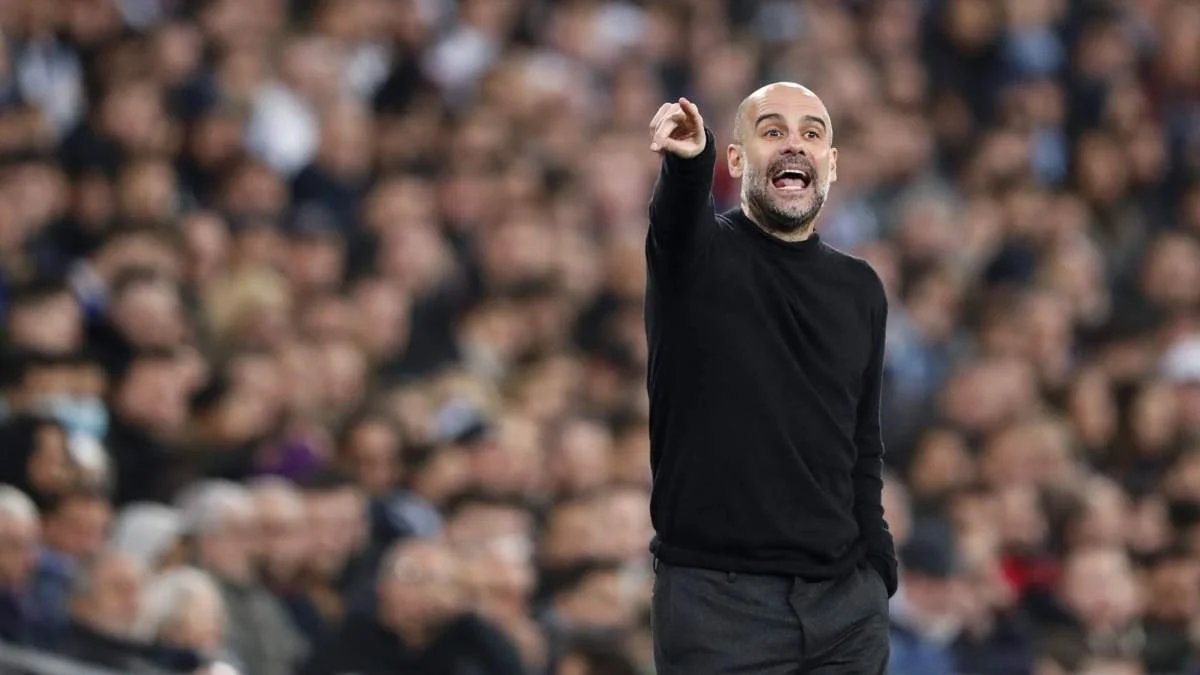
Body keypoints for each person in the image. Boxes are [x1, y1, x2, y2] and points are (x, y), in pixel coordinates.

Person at [644, 83, 896, 673]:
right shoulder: (697, 259)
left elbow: (862, 442)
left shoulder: (861, 288)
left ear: (831, 165)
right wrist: (690, 161)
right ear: (736, 159)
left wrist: (878, 569)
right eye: (773, 131)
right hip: (718, 608)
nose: (794, 145)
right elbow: (677, 219)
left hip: (846, 611)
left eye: (812, 134)